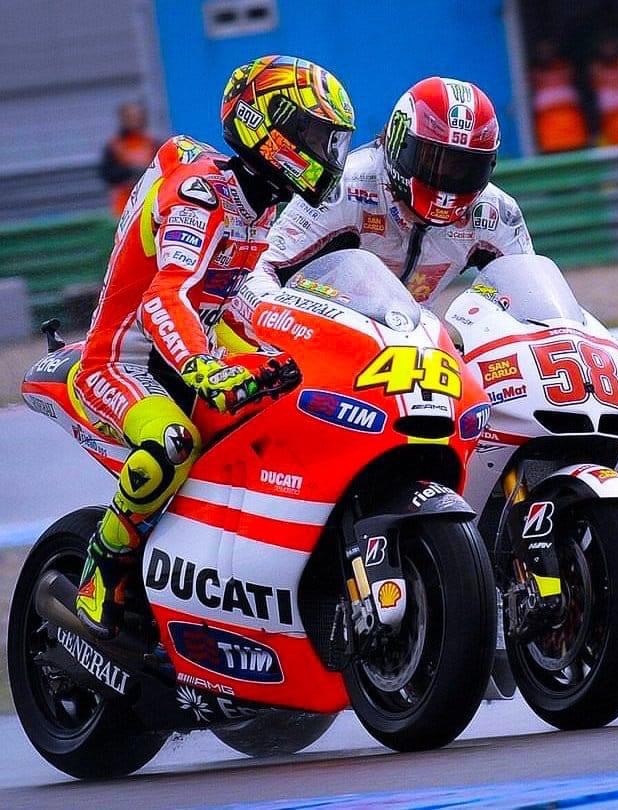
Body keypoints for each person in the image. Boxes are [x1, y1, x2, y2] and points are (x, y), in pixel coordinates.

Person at [74, 55, 355, 639]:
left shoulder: (265, 205)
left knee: (296, 407)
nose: (326, 153)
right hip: (122, 360)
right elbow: (164, 298)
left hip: (188, 351)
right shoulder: (199, 194)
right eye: (313, 135)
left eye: (332, 141)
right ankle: (101, 570)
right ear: (264, 124)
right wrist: (204, 366)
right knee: (172, 443)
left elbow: (231, 306)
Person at [219, 76, 534, 351]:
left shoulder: (496, 213)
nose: (447, 179)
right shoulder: (345, 188)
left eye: (465, 167)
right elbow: (258, 270)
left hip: (419, 352)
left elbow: (530, 301)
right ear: (399, 142)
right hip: (327, 344)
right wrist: (285, 328)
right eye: (433, 160)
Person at [100, 102, 160, 217]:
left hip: (150, 202)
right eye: (130, 117)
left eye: (137, 116)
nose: (134, 120)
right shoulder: (114, 145)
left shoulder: (152, 143)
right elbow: (107, 174)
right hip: (124, 205)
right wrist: (130, 172)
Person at [531, 40, 589, 153]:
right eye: (542, 50)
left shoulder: (566, 68)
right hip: (549, 138)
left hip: (574, 133)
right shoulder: (535, 73)